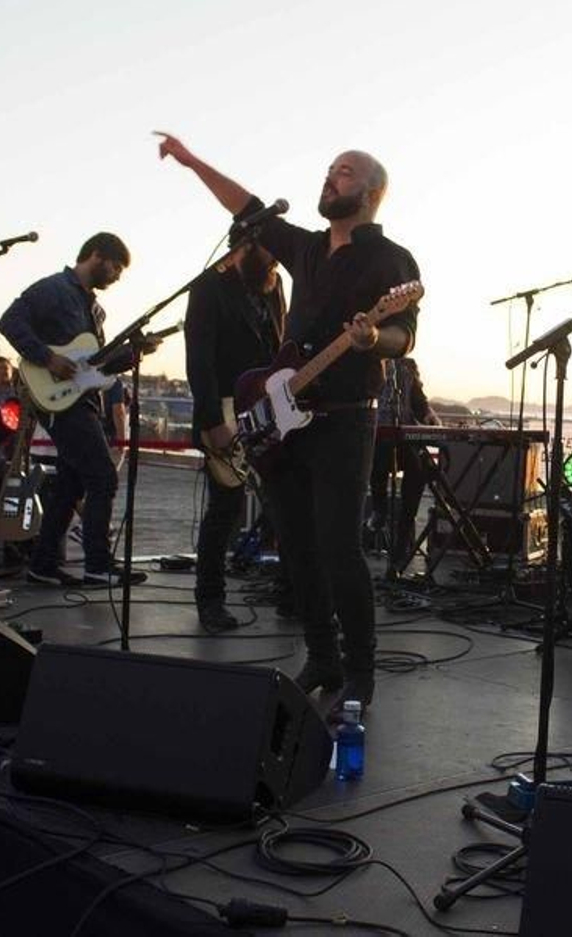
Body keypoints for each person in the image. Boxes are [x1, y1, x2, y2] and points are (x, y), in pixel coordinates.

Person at [157, 133, 420, 708]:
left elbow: (404, 336)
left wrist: (373, 337)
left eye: (344, 172)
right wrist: (191, 159)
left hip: (345, 419)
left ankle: (361, 669)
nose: (330, 177)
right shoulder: (305, 248)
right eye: (329, 169)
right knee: (297, 547)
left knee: (338, 546)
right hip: (285, 420)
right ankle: (322, 659)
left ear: (371, 193)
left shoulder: (390, 259)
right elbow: (245, 207)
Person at [0, 232, 151, 587]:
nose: (117, 276)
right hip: (60, 402)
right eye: (116, 267)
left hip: (83, 400)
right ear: (96, 255)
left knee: (69, 486)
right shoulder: (53, 289)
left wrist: (131, 355)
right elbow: (9, 321)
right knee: (102, 477)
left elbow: (92, 366)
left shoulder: (96, 310)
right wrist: (47, 357)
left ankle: (43, 563)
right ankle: (97, 564)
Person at [185, 237, 288, 634]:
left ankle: (292, 594)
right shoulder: (208, 286)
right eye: (270, 252)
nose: (276, 262)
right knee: (224, 509)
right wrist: (214, 422)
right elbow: (200, 361)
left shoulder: (273, 282)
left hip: (270, 410)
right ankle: (210, 600)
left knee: (287, 505)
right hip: (225, 410)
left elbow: (281, 343)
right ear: (246, 245)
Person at [370, 356, 440, 565]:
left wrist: (429, 415)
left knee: (418, 469)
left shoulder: (407, 367)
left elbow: (420, 402)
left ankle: (403, 535)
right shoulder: (371, 363)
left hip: (403, 438)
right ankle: (379, 508)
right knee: (380, 456)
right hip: (372, 438)